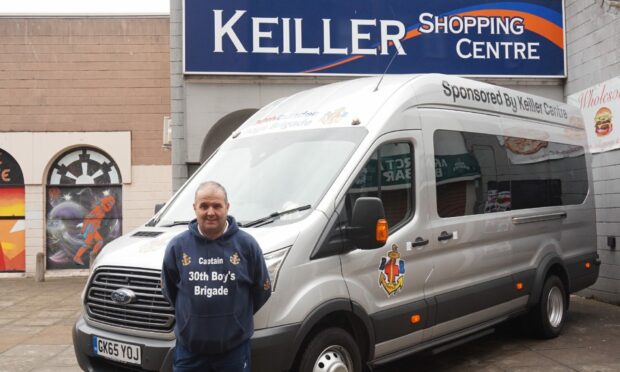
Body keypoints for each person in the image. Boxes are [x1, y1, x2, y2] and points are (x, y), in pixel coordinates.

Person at [161, 181, 271, 372]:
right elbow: (170, 291)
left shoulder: (247, 245)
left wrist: (236, 318)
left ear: (227, 207)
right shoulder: (177, 247)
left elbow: (261, 290)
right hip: (189, 352)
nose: (210, 212)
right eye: (204, 206)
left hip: (234, 352)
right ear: (195, 208)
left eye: (216, 206)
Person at [73, 194, 116, 265]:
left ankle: (93, 254)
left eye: (111, 203)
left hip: (94, 228)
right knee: (87, 244)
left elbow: (97, 218)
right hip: (91, 227)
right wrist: (84, 229)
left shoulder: (102, 210)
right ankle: (77, 257)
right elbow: (88, 217)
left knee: (100, 241)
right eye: (109, 203)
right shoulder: (98, 208)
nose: (110, 205)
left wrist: (98, 224)